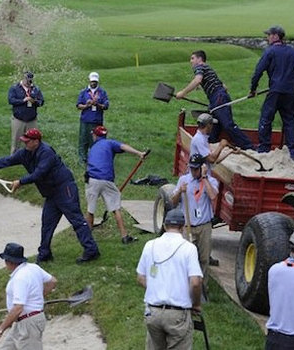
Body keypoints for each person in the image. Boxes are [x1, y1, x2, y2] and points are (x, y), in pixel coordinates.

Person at [0, 128, 100, 264]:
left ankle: (91, 250)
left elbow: (38, 174)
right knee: (47, 224)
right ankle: (45, 254)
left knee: (76, 220)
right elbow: (6, 161)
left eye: (27, 141)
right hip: (51, 193)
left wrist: (20, 182)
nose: (25, 144)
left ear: (36, 141)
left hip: (64, 188)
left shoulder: (46, 152)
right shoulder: (25, 153)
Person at [136, 208, 203, 349]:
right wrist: (196, 304)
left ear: (165, 226)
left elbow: (141, 277)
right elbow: (196, 282)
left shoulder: (150, 245)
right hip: (177, 314)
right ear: (183, 227)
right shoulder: (188, 248)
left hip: (153, 312)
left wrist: (158, 287)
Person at [249, 25, 294, 161]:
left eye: (269, 35)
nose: (267, 37)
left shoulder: (270, 52)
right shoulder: (292, 51)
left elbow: (258, 72)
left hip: (275, 90)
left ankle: (265, 147)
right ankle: (292, 151)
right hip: (290, 91)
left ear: (276, 36)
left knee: (266, 118)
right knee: (289, 120)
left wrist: (253, 89)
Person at [176, 50, 253, 150]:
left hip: (218, 98)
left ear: (200, 59)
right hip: (218, 97)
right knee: (214, 125)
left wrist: (183, 92)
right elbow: (224, 87)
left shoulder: (199, 67)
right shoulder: (208, 68)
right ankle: (211, 144)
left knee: (228, 125)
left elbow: (197, 79)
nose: (191, 61)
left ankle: (249, 146)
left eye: (192, 58)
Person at [0, 243, 57, 347]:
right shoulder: (33, 267)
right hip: (22, 321)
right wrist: (38, 297)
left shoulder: (19, 278)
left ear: (9, 261)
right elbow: (52, 281)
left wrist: (0, 331)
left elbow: (18, 308)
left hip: (29, 323)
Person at [85, 126, 145, 244]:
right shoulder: (110, 143)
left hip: (92, 179)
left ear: (95, 136)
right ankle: (124, 236)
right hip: (107, 179)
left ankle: (87, 238)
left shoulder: (93, 148)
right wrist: (139, 153)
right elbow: (123, 146)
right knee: (115, 209)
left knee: (90, 209)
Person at [171, 153, 219, 274]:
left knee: (204, 258)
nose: (193, 171)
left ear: (202, 167)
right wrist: (179, 192)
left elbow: (213, 196)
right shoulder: (184, 180)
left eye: (196, 169)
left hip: (204, 226)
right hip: (188, 226)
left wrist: (204, 177)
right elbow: (173, 202)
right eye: (191, 168)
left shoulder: (211, 181)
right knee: (186, 257)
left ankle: (202, 286)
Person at [76, 72, 109, 163]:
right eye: (92, 81)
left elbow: (106, 106)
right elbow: (78, 105)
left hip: (97, 120)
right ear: (89, 81)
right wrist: (87, 105)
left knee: (97, 140)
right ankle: (83, 158)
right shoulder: (84, 92)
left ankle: (96, 158)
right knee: (83, 139)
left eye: (95, 81)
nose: (93, 83)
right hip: (85, 120)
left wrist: (97, 104)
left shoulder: (102, 92)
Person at [8, 71, 45, 154]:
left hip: (32, 119)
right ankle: (13, 158)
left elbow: (41, 102)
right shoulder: (15, 88)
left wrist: (34, 101)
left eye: (30, 81)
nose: (29, 83)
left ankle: (32, 157)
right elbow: (11, 100)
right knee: (16, 141)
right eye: (27, 81)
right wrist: (23, 100)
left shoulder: (35, 89)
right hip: (19, 119)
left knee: (33, 140)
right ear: (23, 78)